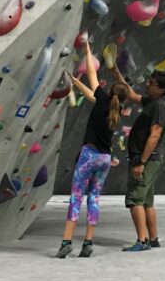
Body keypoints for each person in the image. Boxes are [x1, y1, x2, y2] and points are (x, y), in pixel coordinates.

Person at [55, 41, 130, 258]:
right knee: (94, 199)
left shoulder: (104, 101)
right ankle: (88, 243)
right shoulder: (117, 107)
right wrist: (77, 83)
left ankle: (66, 242)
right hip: (105, 158)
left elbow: (91, 72)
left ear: (108, 92)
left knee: (76, 197)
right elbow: (93, 96)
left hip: (88, 156)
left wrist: (88, 50)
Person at [112, 66, 165, 252]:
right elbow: (131, 95)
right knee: (147, 201)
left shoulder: (159, 108)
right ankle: (153, 239)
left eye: (152, 83)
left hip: (146, 160)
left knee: (135, 199)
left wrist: (141, 162)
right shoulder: (153, 102)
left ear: (161, 89)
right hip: (149, 160)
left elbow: (154, 136)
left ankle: (142, 240)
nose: (148, 83)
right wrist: (116, 71)